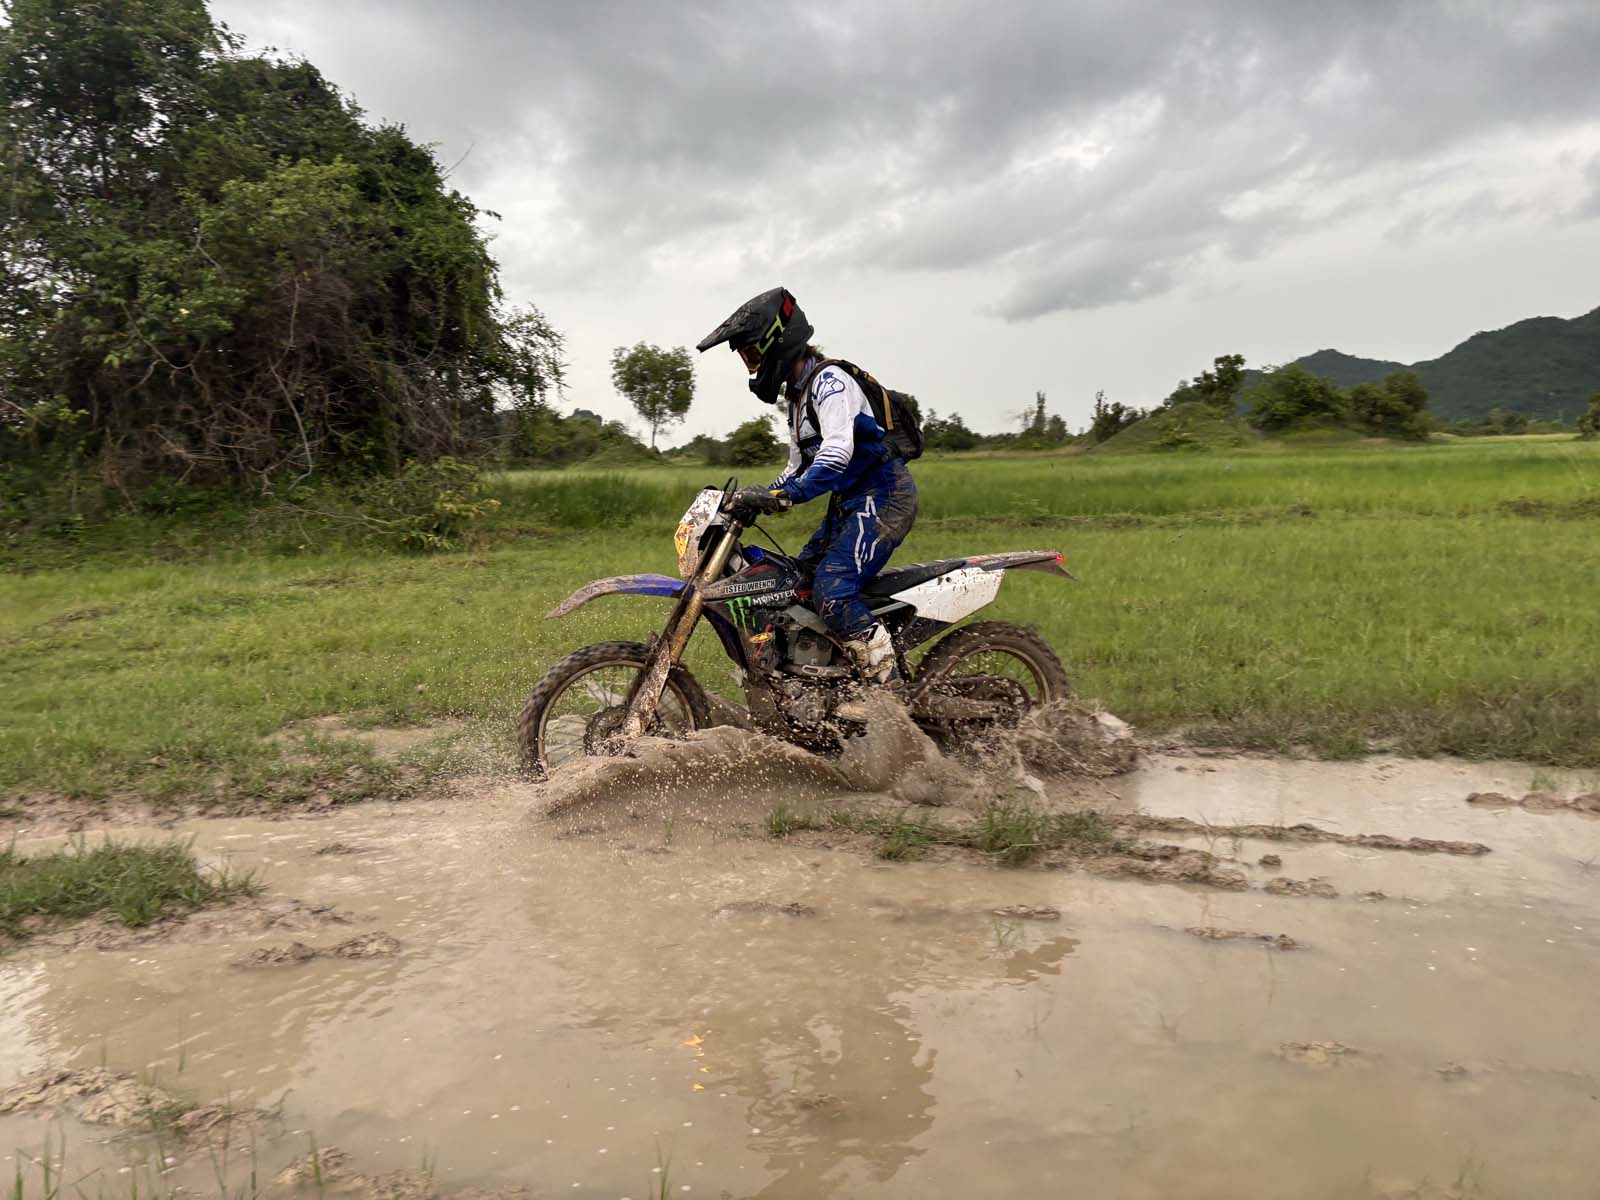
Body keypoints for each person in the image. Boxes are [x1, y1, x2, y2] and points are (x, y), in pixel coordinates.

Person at [696, 286, 918, 686]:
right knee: (796, 585)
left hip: (884, 497)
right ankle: (829, 681)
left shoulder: (830, 382)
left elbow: (835, 453)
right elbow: (797, 467)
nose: (751, 366)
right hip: (850, 502)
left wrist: (785, 496)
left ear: (776, 342)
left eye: (752, 355)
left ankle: (891, 693)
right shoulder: (799, 399)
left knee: (832, 591)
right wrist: (754, 498)